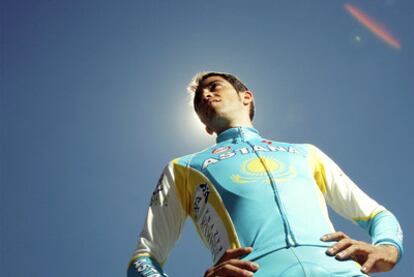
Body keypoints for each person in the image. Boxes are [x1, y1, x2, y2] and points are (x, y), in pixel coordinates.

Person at [127, 72, 403, 277]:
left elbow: (378, 215)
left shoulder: (305, 153)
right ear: (206, 127)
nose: (207, 96)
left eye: (214, 87)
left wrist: (388, 248)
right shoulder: (183, 167)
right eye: (200, 101)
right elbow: (143, 259)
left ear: (246, 95)